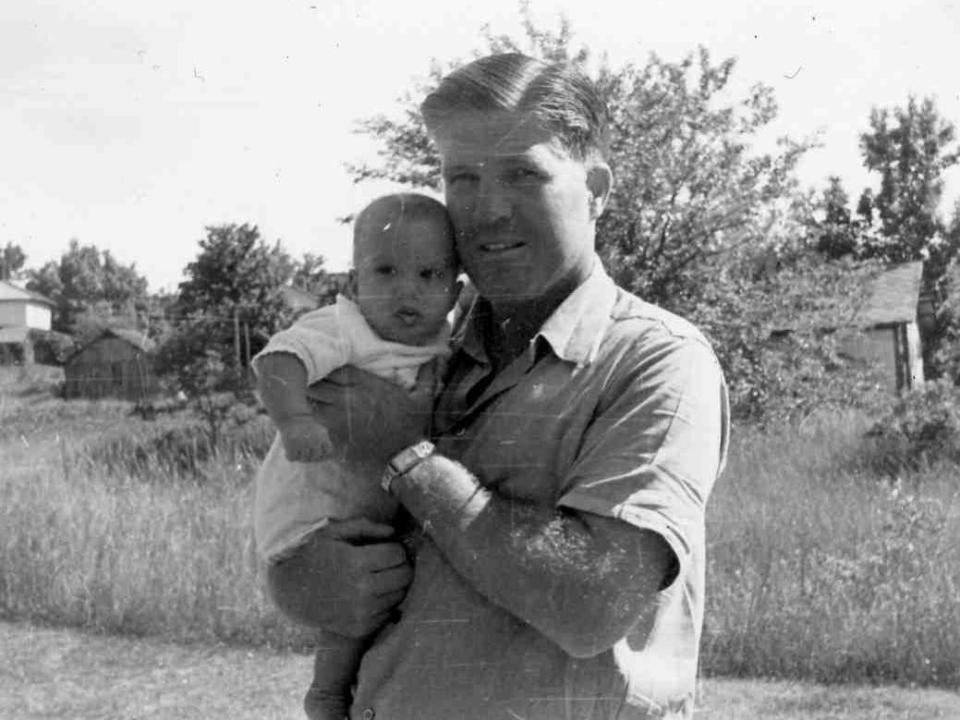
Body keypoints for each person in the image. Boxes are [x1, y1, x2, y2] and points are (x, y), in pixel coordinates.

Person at [268, 52, 730, 720]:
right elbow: (301, 528)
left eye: (523, 174)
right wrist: (304, 582)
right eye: (463, 177)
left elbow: (591, 604)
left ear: (596, 187)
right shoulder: (408, 348)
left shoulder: (657, 360)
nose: (487, 211)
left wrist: (409, 459)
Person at [252, 192, 461, 720]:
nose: (407, 290)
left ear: (456, 291)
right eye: (385, 271)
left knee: (369, 594)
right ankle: (324, 696)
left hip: (368, 505)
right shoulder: (345, 327)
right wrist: (296, 420)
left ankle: (333, 695)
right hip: (310, 507)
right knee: (349, 598)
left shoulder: (444, 343)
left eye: (429, 274)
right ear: (352, 285)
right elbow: (278, 359)